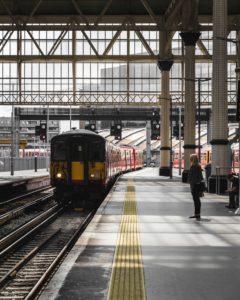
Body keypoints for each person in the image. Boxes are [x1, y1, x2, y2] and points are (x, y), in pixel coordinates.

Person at [188, 154, 204, 220]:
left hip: (195, 185)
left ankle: (197, 214)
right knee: (197, 200)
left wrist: (192, 184)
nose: (189, 159)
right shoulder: (198, 166)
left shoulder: (194, 166)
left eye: (190, 158)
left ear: (192, 159)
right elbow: (200, 177)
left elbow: (193, 177)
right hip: (197, 184)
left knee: (196, 200)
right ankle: (197, 214)